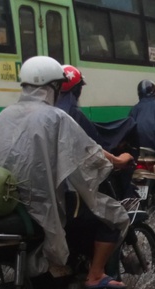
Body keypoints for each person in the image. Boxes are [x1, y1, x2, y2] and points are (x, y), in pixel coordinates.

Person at [0, 56, 129, 289]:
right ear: (53, 87)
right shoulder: (56, 117)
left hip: (8, 202)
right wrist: (117, 162)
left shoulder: (4, 115)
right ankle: (95, 275)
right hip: (42, 206)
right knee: (112, 217)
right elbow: (89, 157)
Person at [56, 64, 140, 200]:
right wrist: (118, 160)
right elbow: (90, 147)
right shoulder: (72, 114)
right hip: (73, 185)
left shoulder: (40, 113)